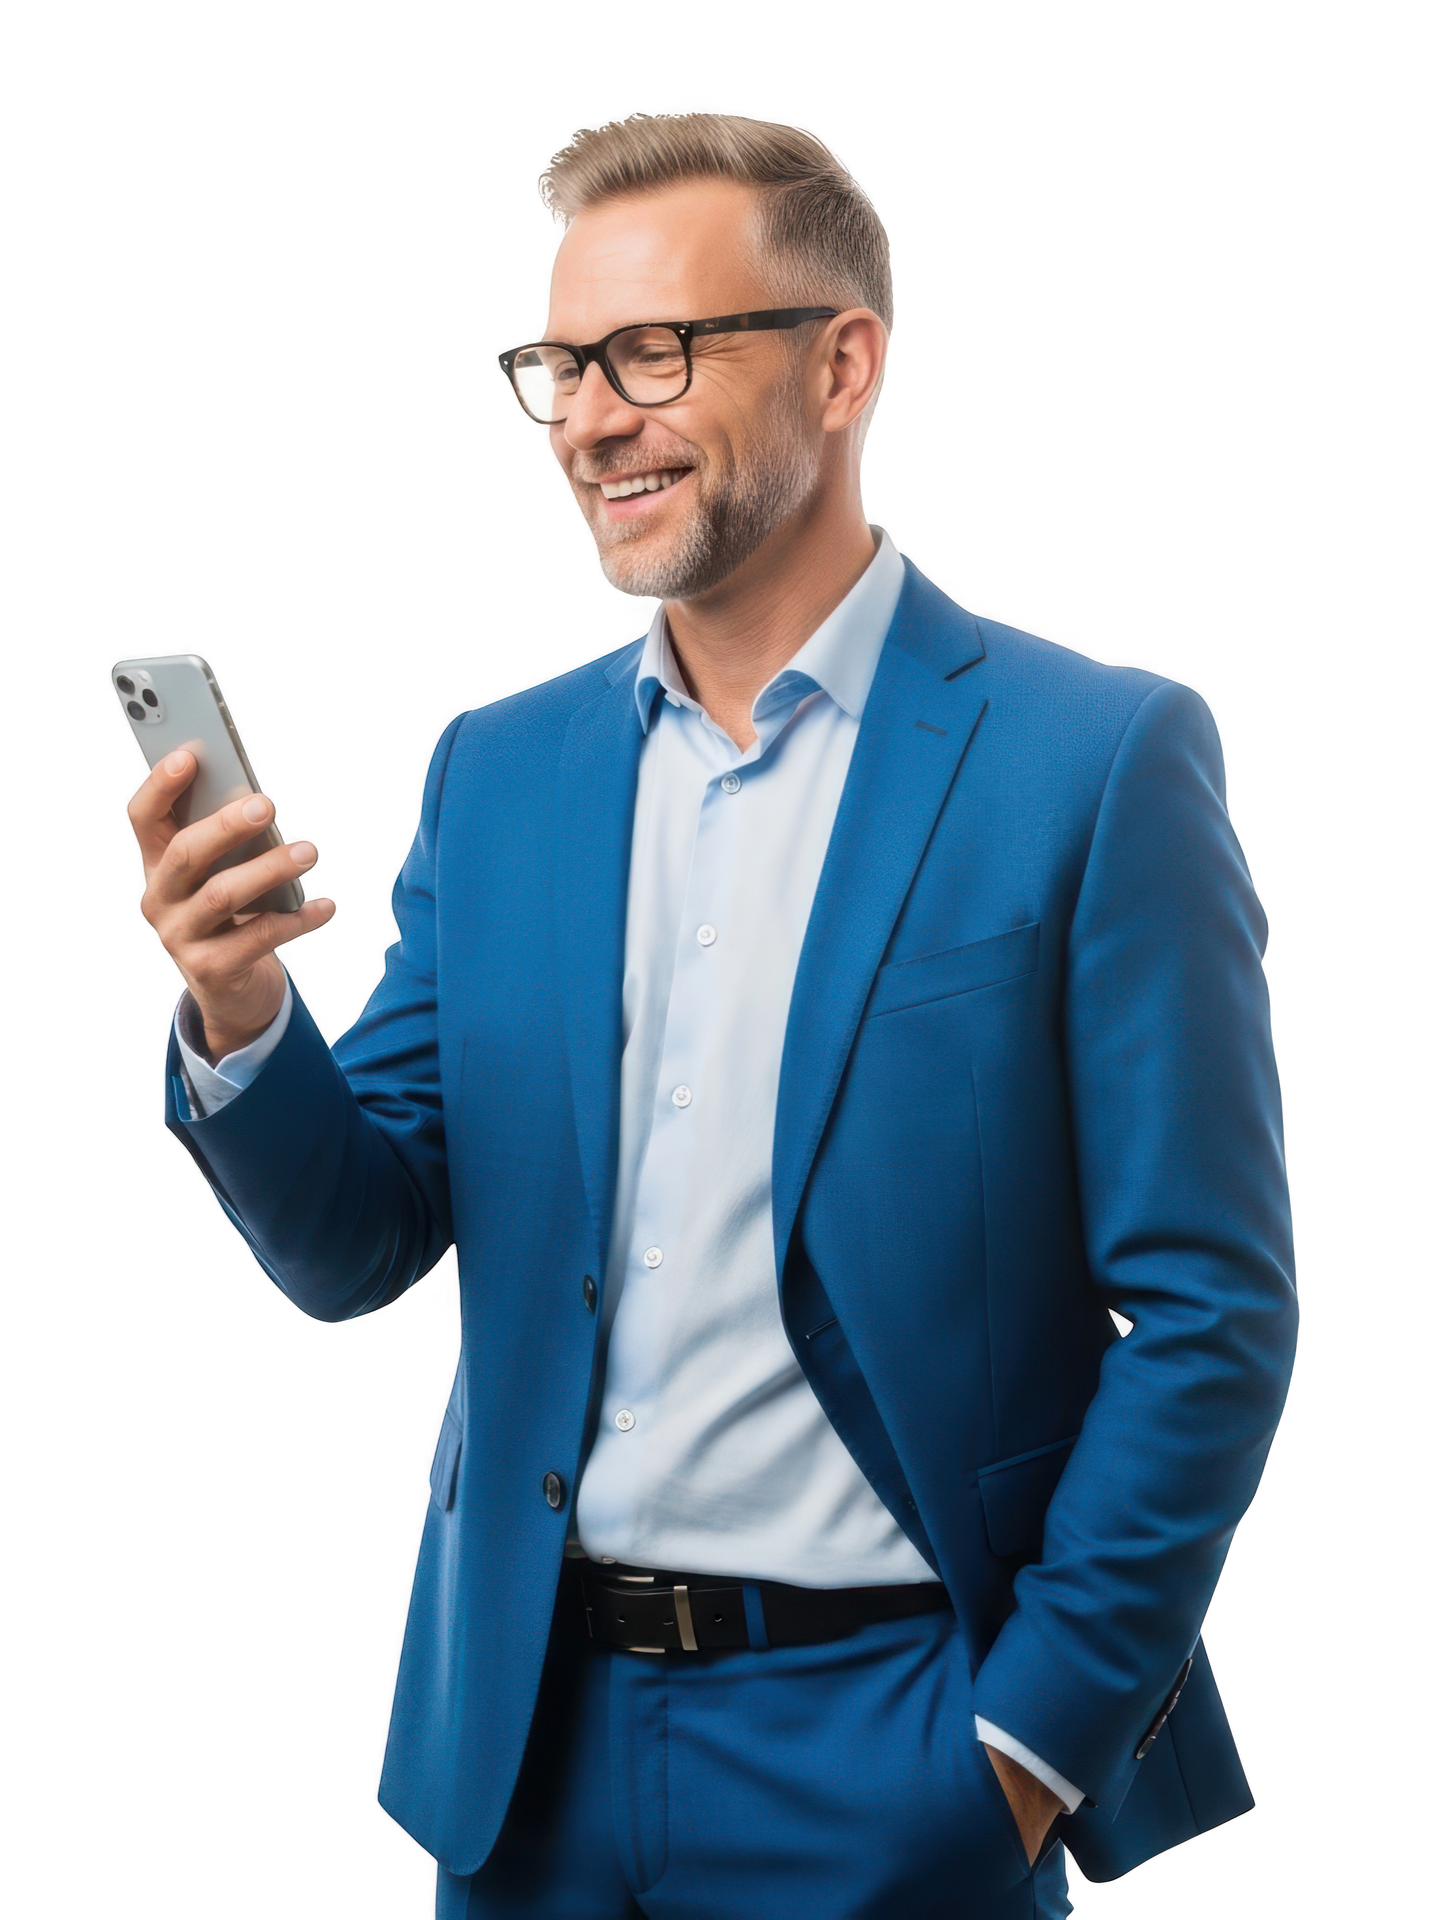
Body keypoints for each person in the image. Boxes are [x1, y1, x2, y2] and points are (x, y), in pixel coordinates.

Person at [129, 112, 1298, 1919]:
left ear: (847, 365)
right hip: (522, 1759)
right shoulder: (500, 772)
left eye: (651, 352)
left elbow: (1212, 1308)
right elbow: (363, 1239)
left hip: (899, 1741)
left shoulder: (1100, 759)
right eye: (558, 365)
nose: (591, 417)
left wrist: (1026, 1751)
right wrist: (242, 1010)